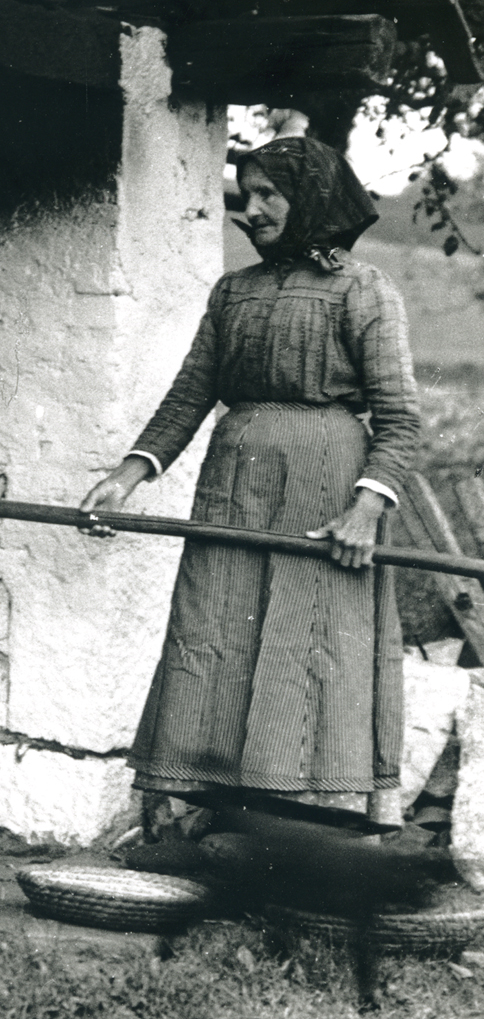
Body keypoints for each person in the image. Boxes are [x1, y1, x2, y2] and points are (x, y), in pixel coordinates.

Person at [78, 136, 420, 820]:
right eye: (247, 193)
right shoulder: (234, 291)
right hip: (234, 482)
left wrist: (365, 510)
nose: (253, 209)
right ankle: (206, 807)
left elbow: (401, 418)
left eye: (271, 194)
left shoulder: (361, 288)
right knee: (214, 626)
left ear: (313, 200)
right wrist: (128, 475)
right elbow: (189, 395)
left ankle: (303, 818)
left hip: (324, 487)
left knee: (306, 636)